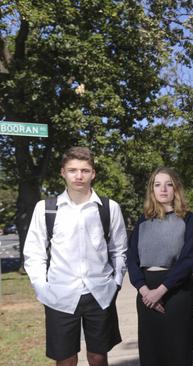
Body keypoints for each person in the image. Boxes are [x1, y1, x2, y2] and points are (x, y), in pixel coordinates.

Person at [23, 146, 128, 366]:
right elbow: (34, 252)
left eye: (85, 170)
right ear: (63, 172)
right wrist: (42, 289)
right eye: (72, 170)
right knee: (65, 358)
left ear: (93, 173)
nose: (79, 176)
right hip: (59, 295)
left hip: (99, 293)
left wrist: (116, 283)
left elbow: (119, 250)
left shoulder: (110, 208)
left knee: (98, 357)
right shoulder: (46, 209)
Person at [127, 167, 193, 366]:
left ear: (176, 189)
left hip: (176, 293)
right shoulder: (143, 220)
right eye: (157, 184)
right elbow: (132, 259)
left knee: (177, 352)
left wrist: (160, 291)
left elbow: (188, 260)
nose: (163, 189)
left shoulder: (189, 219)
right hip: (146, 294)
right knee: (151, 352)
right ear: (152, 190)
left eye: (169, 184)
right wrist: (145, 291)